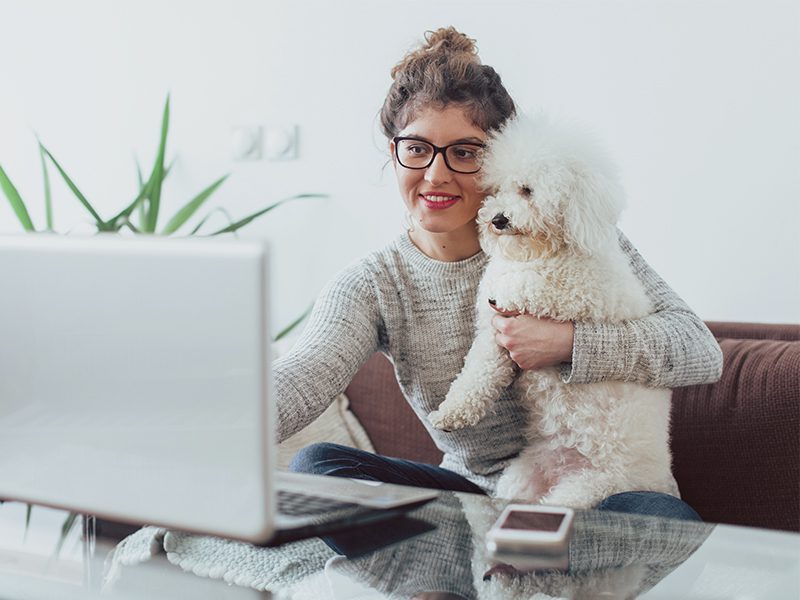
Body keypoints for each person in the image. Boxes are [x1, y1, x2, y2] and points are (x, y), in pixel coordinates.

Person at [275, 27, 722, 521]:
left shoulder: (571, 236)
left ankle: (492, 572)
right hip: (470, 500)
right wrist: (203, 419)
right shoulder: (376, 284)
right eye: (418, 149)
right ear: (394, 153)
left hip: (601, 495)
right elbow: (299, 382)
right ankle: (476, 567)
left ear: (498, 160)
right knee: (319, 468)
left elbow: (699, 350)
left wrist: (569, 343)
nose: (436, 175)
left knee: (663, 520)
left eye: (465, 153)